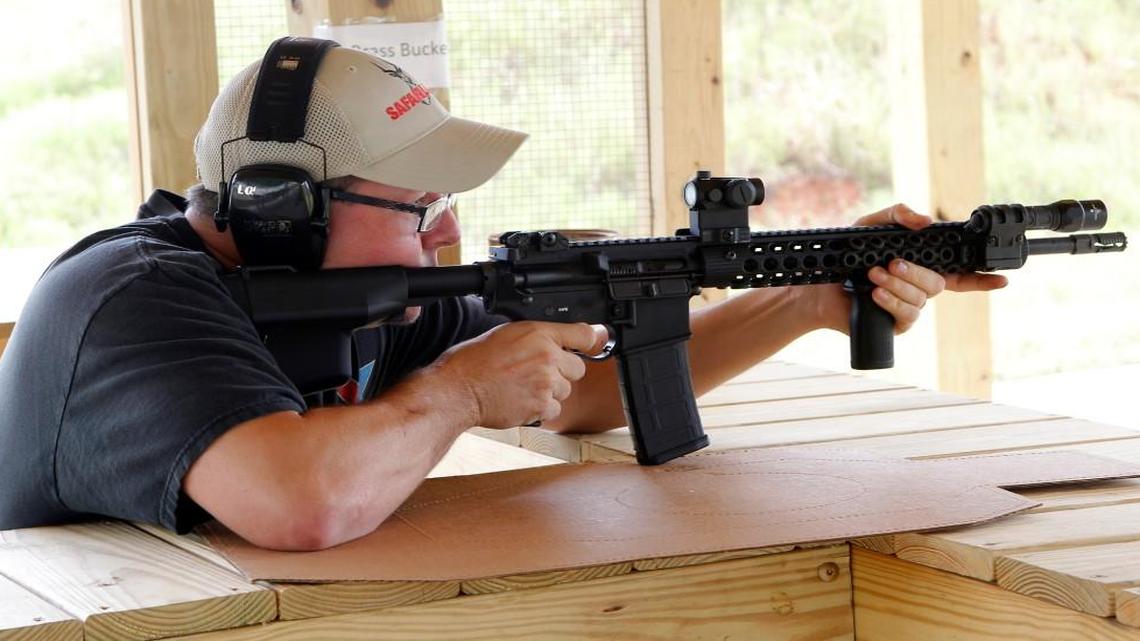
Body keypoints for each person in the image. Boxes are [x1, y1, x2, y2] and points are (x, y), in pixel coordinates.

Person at [0, 40, 1006, 550]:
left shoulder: (361, 288)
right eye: (417, 203)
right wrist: (451, 395)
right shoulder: (130, 302)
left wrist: (812, 299)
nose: (445, 233)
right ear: (280, 209)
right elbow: (301, 501)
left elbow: (582, 390)